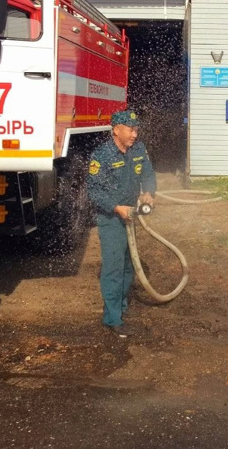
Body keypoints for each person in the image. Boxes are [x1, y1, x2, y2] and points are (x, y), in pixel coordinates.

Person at [87, 109, 156, 337]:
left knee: (128, 265)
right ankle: (112, 318)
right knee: (114, 267)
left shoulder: (138, 149)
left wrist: (148, 193)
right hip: (111, 218)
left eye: (136, 129)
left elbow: (147, 172)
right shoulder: (102, 155)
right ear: (116, 130)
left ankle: (121, 306)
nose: (134, 134)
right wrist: (117, 207)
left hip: (130, 216)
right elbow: (93, 191)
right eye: (130, 129)